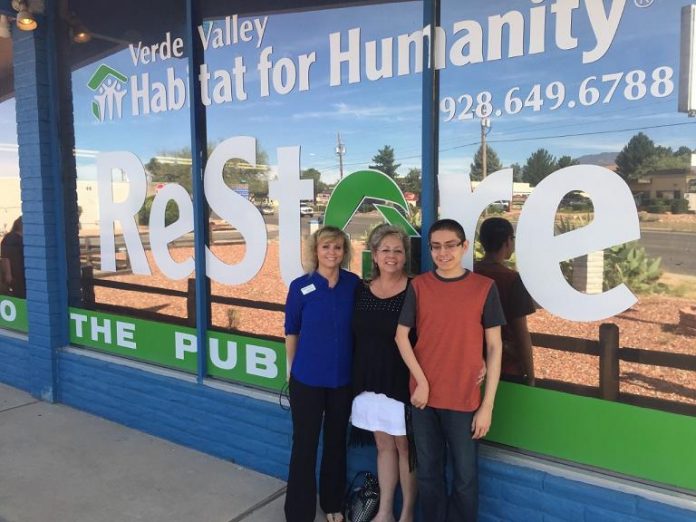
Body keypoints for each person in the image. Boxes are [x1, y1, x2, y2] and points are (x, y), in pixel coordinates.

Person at [395, 218, 504, 522]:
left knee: (465, 479)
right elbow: (401, 336)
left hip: (465, 402)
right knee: (429, 475)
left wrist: (487, 406)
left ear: (464, 246)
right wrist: (422, 382)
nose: (443, 253)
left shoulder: (484, 288)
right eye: (436, 247)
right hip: (424, 400)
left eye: (450, 245)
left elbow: (495, 347)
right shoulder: (419, 286)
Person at [284, 225, 360, 522]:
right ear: (315, 251)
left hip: (342, 380)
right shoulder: (300, 286)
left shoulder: (354, 285)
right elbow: (292, 330)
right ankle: (298, 512)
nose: (332, 252)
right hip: (307, 380)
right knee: (304, 444)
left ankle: (332, 504)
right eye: (326, 247)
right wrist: (292, 369)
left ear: (345, 252)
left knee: (336, 442)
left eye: (338, 247)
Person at [351, 224, 417, 522]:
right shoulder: (360, 290)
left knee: (406, 447)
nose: (391, 256)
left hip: (401, 380)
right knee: (382, 444)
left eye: (398, 250)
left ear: (405, 256)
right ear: (374, 255)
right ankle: (386, 511)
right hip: (367, 380)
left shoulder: (416, 290)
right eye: (385, 250)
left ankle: (406, 513)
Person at [475, 217, 536, 385]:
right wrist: (531, 375)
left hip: (473, 362)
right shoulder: (511, 280)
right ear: (508, 241)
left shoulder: (470, 273)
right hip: (505, 365)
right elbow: (521, 332)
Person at [1, 216, 25, 298]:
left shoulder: (12, 238)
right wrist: (8, 274)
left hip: (19, 274)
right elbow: (5, 257)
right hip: (17, 274)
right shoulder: (12, 239)